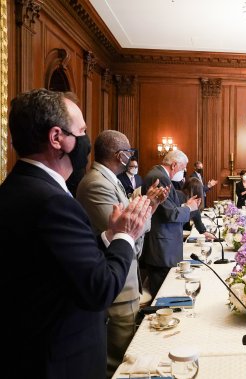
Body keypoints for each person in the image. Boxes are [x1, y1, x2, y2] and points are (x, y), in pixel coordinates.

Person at [0, 88, 152, 379]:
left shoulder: (21, 187)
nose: (86, 141)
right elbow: (99, 288)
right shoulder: (51, 200)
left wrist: (109, 235)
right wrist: (126, 236)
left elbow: (59, 262)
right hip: (60, 357)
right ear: (57, 138)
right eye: (81, 131)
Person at [76, 130, 168, 377]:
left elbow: (133, 224)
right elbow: (124, 233)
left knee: (126, 352)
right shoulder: (97, 183)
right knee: (117, 362)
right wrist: (146, 210)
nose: (131, 158)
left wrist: (149, 205)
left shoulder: (109, 180)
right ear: (120, 155)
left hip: (126, 279)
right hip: (115, 284)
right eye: (129, 153)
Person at [142, 150, 201, 296]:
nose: (185, 171)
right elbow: (169, 214)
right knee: (162, 295)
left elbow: (168, 208)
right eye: (183, 167)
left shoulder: (159, 175)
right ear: (174, 164)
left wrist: (184, 206)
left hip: (164, 245)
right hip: (161, 247)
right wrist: (189, 208)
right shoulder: (159, 177)